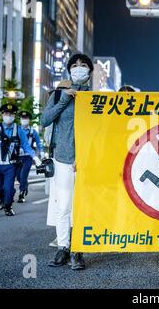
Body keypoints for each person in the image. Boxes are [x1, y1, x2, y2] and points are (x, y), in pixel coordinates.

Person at [41, 53, 94, 270]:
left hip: (86, 162)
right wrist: (64, 98)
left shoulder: (96, 99)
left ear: (90, 72)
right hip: (62, 158)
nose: (79, 68)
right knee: (63, 207)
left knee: (81, 208)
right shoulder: (57, 95)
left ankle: (77, 251)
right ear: (69, 70)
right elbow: (45, 119)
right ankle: (62, 247)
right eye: (75, 65)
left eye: (83, 65)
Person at [0, 103, 41, 216]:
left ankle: (8, 206)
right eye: (6, 113)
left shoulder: (18, 130)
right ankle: (4, 197)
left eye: (11, 114)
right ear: (2, 115)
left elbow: (26, 145)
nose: (8, 116)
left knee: (8, 187)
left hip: (10, 166)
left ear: (14, 116)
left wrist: (35, 156)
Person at [45, 80, 72, 248]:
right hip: (59, 158)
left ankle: (74, 240)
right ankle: (63, 241)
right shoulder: (56, 102)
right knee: (60, 203)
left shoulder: (82, 100)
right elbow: (45, 122)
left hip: (78, 157)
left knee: (73, 202)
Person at [16, 110, 44, 203]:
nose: (24, 120)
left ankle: (22, 193)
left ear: (29, 120)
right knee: (18, 177)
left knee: (23, 175)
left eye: (26, 118)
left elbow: (39, 143)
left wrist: (42, 151)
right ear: (20, 119)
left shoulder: (33, 131)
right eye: (22, 118)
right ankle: (25, 186)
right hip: (17, 157)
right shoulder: (16, 130)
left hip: (28, 157)